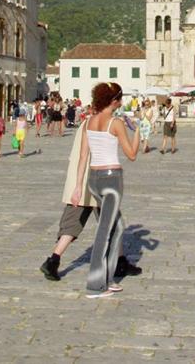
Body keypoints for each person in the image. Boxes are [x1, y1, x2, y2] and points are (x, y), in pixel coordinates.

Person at [39, 111, 142, 282]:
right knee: (113, 222)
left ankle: (53, 261)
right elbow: (125, 153)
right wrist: (137, 130)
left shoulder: (86, 123)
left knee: (72, 223)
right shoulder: (102, 123)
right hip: (97, 179)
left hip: (79, 182)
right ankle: (119, 264)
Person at [72, 82, 140, 298]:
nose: (121, 102)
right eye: (120, 99)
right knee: (104, 231)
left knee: (117, 227)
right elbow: (132, 154)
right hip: (111, 179)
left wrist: (77, 186)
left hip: (93, 179)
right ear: (113, 101)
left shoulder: (89, 122)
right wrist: (139, 131)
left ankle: (108, 278)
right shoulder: (116, 123)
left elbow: (83, 156)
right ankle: (95, 285)